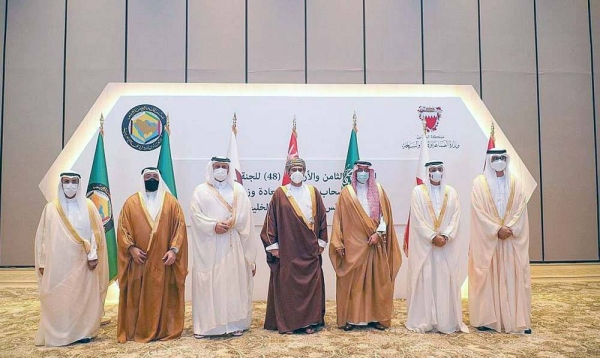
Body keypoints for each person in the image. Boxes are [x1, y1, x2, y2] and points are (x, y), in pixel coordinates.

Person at [34, 171, 109, 346]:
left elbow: (95, 234)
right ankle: (60, 333)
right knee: (62, 298)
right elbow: (43, 238)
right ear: (61, 184)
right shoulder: (51, 208)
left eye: (74, 181)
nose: (70, 185)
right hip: (59, 265)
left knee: (82, 299)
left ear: (79, 184)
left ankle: (83, 332)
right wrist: (43, 263)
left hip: (83, 264)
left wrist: (92, 256)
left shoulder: (89, 206)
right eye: (66, 181)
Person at [117, 167, 188, 343]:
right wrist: (131, 249)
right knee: (137, 295)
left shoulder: (171, 202)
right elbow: (122, 229)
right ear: (142, 179)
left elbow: (180, 228)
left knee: (162, 296)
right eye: (147, 176)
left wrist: (174, 250)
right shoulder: (131, 203)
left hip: (163, 262)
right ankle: (136, 329)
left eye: (155, 176)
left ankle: (163, 330)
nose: (151, 179)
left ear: (160, 179)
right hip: (139, 261)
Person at [329, 160, 402, 331]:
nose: (363, 173)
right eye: (359, 170)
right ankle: (350, 319)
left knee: (377, 282)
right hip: (352, 246)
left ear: (370, 172)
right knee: (352, 284)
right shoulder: (346, 193)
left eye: (365, 170)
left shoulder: (379, 191)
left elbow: (385, 217)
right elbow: (338, 219)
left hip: (374, 245)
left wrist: (378, 233)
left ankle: (376, 317)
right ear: (354, 173)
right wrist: (337, 242)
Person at [190, 156, 256, 338]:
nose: (221, 170)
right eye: (217, 166)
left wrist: (231, 222)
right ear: (211, 168)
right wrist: (213, 226)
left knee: (233, 283)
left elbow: (246, 218)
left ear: (229, 169)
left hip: (233, 245)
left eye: (224, 167)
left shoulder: (238, 190)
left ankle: (235, 324)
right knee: (210, 284)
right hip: (209, 246)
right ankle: (207, 327)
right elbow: (196, 216)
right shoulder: (200, 191)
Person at [260, 158, 328, 334]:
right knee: (289, 287)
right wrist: (273, 246)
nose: (297, 172)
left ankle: (309, 322)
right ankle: (289, 323)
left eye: (300, 169)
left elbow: (322, 218)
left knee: (311, 286)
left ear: (305, 172)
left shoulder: (314, 192)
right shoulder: (280, 193)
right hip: (288, 250)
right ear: (288, 172)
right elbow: (270, 221)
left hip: (310, 249)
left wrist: (321, 242)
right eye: (293, 169)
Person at [469, 149, 532, 334]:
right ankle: (487, 320)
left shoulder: (516, 183)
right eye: (495, 158)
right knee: (487, 276)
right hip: (490, 241)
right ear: (489, 161)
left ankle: (515, 320)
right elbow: (478, 210)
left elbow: (521, 209)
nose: (499, 161)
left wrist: (510, 228)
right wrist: (496, 229)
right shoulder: (479, 184)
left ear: (507, 160)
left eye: (502, 158)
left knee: (513, 276)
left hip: (511, 241)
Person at [405, 161, 468, 334]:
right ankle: (424, 320)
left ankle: (445, 320)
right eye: (433, 170)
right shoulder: (417, 192)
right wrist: (432, 236)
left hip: (446, 246)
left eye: (440, 169)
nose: (437, 173)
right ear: (427, 173)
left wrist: (446, 235)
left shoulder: (451, 192)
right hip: (426, 246)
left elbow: (456, 217)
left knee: (445, 281)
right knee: (425, 280)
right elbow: (417, 219)